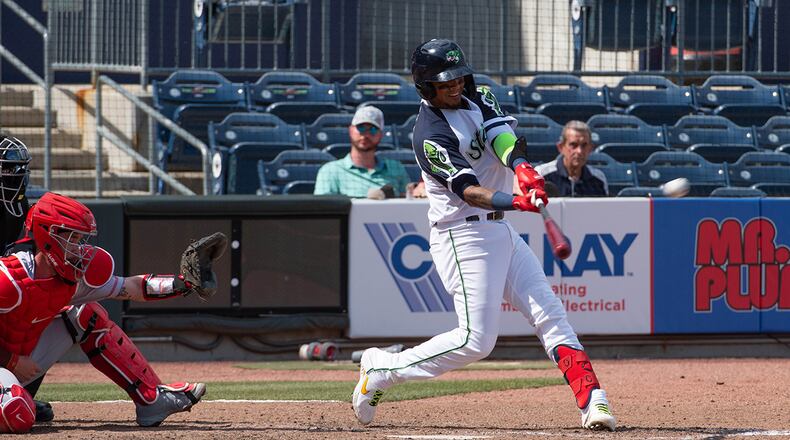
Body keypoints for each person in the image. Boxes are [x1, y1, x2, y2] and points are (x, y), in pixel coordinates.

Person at [351, 39, 616, 431]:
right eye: (445, 83)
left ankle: (593, 400)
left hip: (500, 231)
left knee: (550, 314)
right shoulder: (429, 134)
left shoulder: (480, 95)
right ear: (426, 87)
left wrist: (522, 167)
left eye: (459, 77)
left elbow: (498, 137)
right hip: (462, 236)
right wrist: (517, 201)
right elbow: (470, 191)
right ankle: (382, 369)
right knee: (476, 341)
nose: (456, 86)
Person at [0, 192, 222, 433]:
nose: (80, 247)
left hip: (22, 363)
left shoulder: (71, 278)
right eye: (72, 237)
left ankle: (152, 400)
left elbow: (131, 287)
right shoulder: (8, 278)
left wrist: (183, 283)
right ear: (48, 236)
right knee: (18, 415)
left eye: (81, 238)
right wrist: (10, 361)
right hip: (9, 362)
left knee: (87, 314)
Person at [314, 105, 412, 198]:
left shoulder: (396, 168)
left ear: (381, 134)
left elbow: (409, 202)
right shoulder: (330, 171)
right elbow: (324, 209)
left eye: (373, 129)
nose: (366, 134)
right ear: (351, 130)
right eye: (361, 128)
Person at [534, 121, 608, 197]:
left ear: (590, 148)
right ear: (561, 147)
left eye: (584, 145)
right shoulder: (542, 175)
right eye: (573, 145)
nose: (579, 151)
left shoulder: (598, 179)